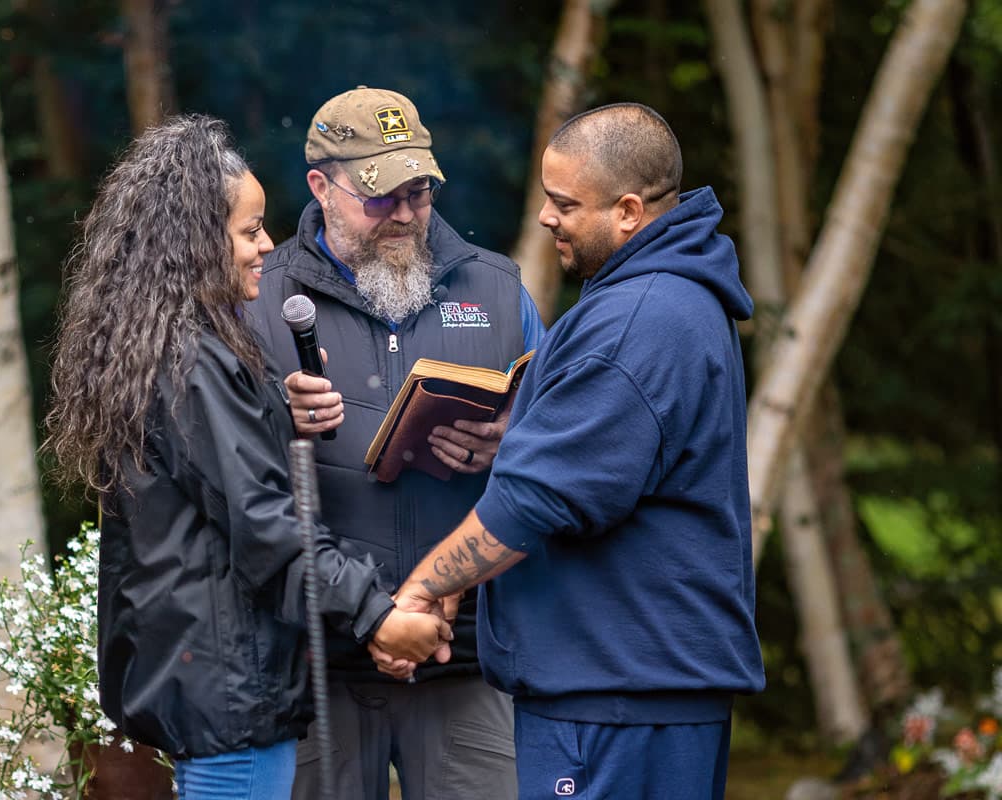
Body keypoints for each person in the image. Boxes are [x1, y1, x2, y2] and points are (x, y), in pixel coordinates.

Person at [42, 114, 449, 800]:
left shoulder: (175, 346)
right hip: (227, 690)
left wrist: (274, 417)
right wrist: (377, 613)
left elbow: (219, 489)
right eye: (249, 230)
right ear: (197, 241)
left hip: (212, 679)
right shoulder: (195, 361)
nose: (266, 245)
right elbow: (265, 524)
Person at [383, 103, 766, 799]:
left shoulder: (638, 320)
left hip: (614, 701)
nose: (545, 218)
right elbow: (615, 457)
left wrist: (425, 585)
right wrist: (525, 432)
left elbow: (539, 498)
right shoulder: (664, 298)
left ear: (626, 211)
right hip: (639, 692)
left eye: (563, 203)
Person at [246, 86, 544, 800]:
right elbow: (220, 471)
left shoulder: (499, 288)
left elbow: (565, 448)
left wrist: (511, 439)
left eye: (420, 191)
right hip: (314, 662)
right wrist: (267, 414)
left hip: (466, 660)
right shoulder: (255, 296)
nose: (407, 214)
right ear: (320, 186)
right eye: (382, 196)